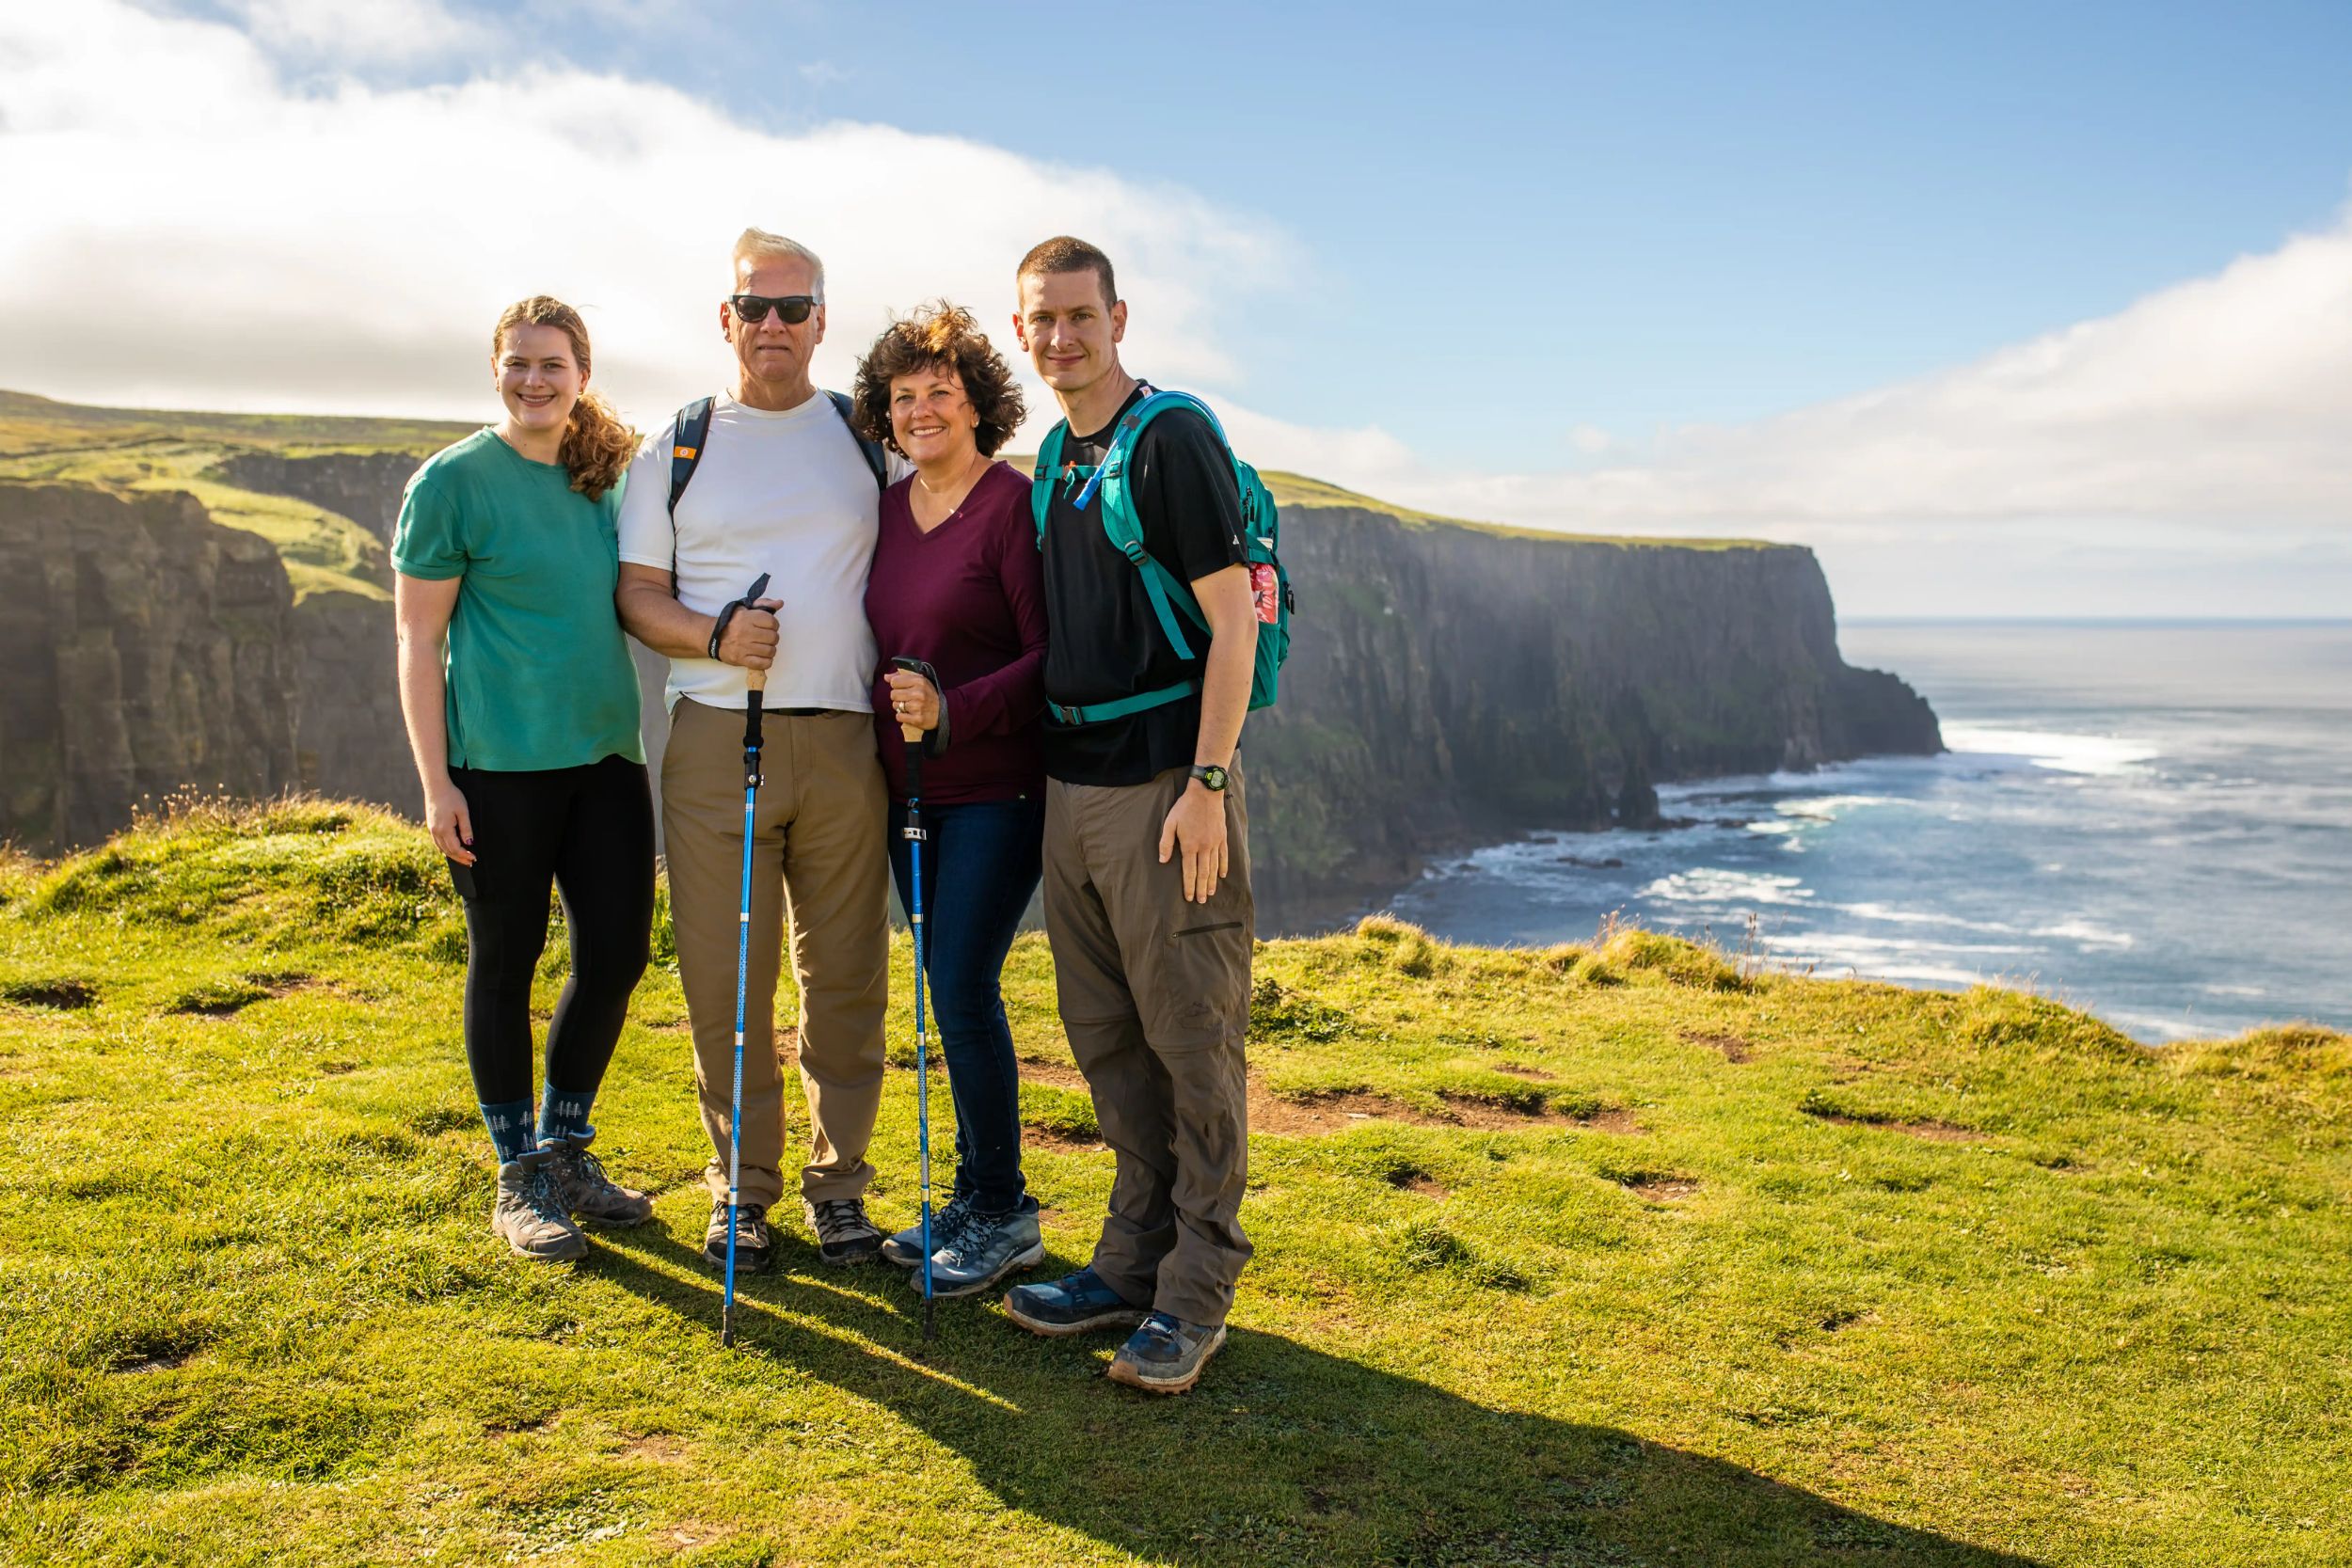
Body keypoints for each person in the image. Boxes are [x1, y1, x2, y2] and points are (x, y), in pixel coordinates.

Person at [997, 238, 1259, 1394]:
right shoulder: (1056, 452)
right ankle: (1127, 1263)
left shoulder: (1173, 441)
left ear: (1118, 315)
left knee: (1191, 1040)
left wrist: (1206, 784)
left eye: (1078, 315)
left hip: (1164, 788)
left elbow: (1233, 622)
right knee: (1106, 1039)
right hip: (1071, 787)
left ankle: (1195, 1293)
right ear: (1022, 332)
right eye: (1041, 319)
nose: (1061, 336)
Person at [614, 229, 900, 1274]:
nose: (771, 325)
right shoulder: (676, 445)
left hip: (847, 739)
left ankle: (842, 1189)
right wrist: (714, 635)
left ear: (824, 319)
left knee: (848, 975)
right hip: (711, 735)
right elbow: (638, 593)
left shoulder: (871, 437)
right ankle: (743, 1190)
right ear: (723, 319)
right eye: (753, 308)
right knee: (724, 978)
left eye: (793, 307)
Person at [391, 295, 658, 1262]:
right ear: (495, 371)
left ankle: (566, 1146)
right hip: (496, 770)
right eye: (518, 364)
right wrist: (436, 785)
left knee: (619, 955)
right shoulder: (453, 481)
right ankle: (517, 1176)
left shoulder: (608, 478)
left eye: (553, 364)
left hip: (605, 762)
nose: (534, 380)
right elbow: (418, 639)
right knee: (503, 964)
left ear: (583, 372)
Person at [848, 303, 1048, 1297]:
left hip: (995, 789)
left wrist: (952, 709)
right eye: (902, 396)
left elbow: (1048, 655)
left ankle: (1004, 1206)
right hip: (905, 792)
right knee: (945, 985)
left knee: (963, 981)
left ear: (977, 403)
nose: (921, 409)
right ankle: (973, 1196)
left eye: (940, 391)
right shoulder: (886, 512)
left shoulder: (1009, 505)